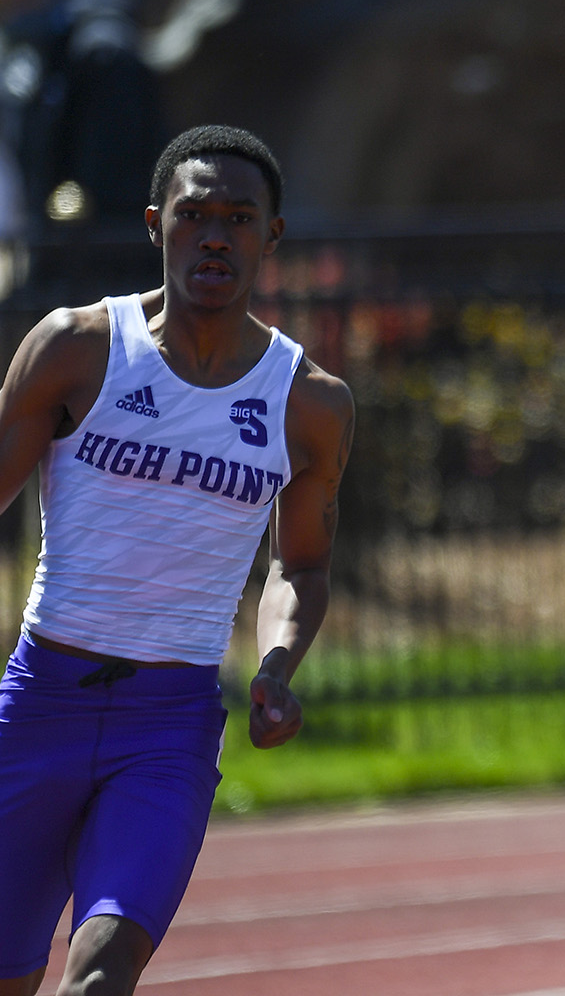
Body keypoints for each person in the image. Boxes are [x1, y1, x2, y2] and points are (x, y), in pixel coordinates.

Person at [0, 124, 354, 995]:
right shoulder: (77, 348)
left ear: (271, 235)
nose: (216, 235)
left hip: (169, 725)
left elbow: (300, 567)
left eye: (239, 217)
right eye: (196, 214)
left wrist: (276, 664)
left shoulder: (308, 403)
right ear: (157, 224)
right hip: (40, 702)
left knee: (101, 973)